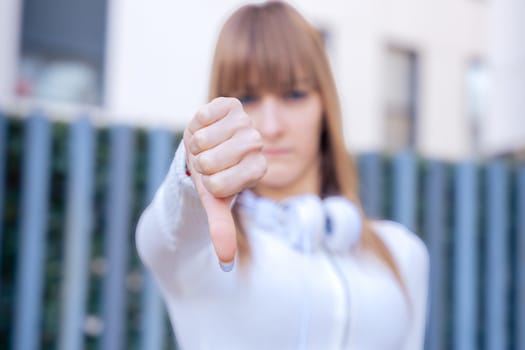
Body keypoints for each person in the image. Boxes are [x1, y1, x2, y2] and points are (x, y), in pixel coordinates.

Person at [136, 1, 429, 349]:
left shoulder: (402, 253)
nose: (272, 127)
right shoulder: (202, 251)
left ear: (325, 105)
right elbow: (165, 231)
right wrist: (192, 169)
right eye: (248, 97)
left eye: (294, 94)